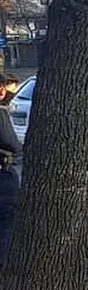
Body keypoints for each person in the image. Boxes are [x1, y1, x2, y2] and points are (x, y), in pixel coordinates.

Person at [0, 74, 22, 269]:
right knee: (7, 216)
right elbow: (11, 144)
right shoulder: (0, 113)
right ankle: (5, 264)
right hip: (2, 173)